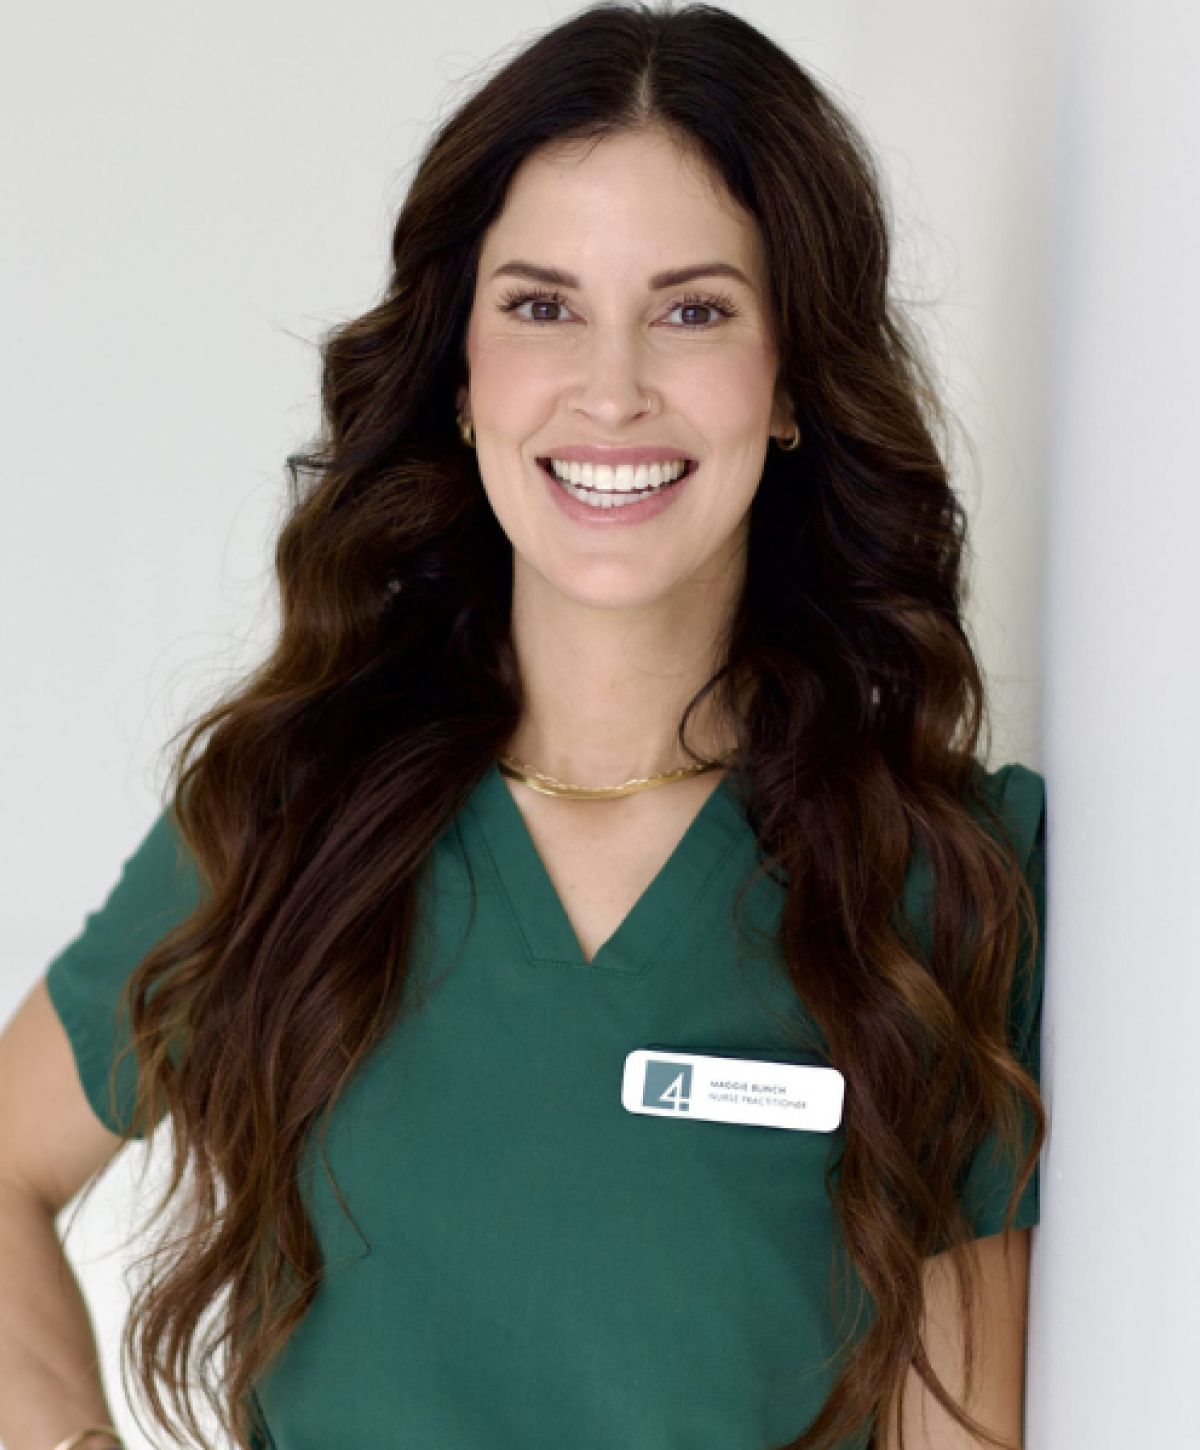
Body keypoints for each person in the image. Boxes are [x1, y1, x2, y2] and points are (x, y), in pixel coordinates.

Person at [0, 4, 1049, 1449]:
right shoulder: (289, 818)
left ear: (792, 376)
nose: (610, 389)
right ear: (460, 372)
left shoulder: (938, 874)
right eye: (541, 305)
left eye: (693, 309)